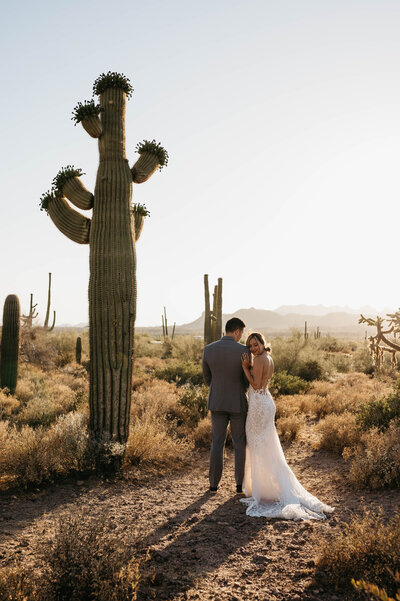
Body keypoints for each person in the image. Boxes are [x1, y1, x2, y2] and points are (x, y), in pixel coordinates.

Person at [240, 332, 334, 520]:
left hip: (259, 405)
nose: (252, 348)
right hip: (266, 403)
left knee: (258, 446)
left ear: (261, 342)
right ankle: (268, 487)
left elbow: (256, 385)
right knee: (267, 447)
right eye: (250, 345)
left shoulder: (258, 360)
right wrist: (251, 366)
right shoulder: (268, 358)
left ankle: (262, 490)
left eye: (255, 344)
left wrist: (245, 368)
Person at [202, 317, 250, 493]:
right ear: (237, 331)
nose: (241, 337)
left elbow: (207, 377)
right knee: (239, 443)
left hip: (217, 401)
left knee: (217, 442)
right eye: (241, 333)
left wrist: (218, 389)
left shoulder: (208, 350)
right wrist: (239, 389)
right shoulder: (244, 350)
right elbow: (246, 378)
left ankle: (213, 484)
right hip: (237, 402)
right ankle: (239, 485)